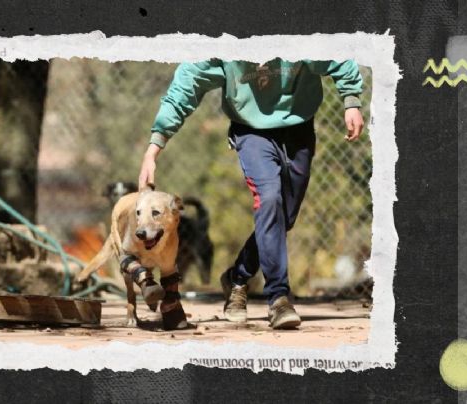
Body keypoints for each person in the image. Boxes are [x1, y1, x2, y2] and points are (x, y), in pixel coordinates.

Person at [138, 58, 364, 329]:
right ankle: (279, 298)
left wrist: (351, 98)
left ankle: (237, 276)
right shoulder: (223, 44)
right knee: (269, 199)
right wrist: (155, 147)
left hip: (298, 125)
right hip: (251, 132)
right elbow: (187, 85)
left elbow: (332, 51)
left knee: (284, 218)